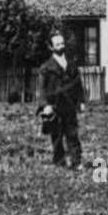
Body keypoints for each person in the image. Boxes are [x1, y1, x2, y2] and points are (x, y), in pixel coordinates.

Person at [36, 31, 86, 169]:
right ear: (51, 47)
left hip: (70, 105)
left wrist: (81, 101)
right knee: (56, 136)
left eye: (62, 43)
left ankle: (77, 162)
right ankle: (59, 162)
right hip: (54, 105)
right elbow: (41, 89)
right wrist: (45, 105)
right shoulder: (46, 67)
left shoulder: (71, 64)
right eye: (57, 44)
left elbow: (78, 84)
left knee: (72, 134)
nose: (61, 46)